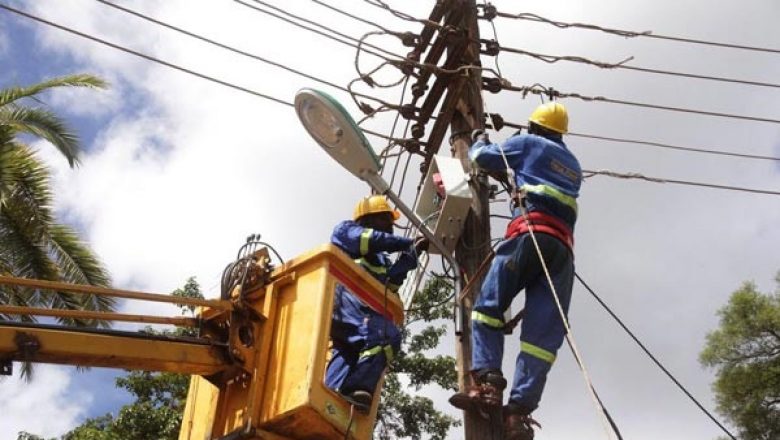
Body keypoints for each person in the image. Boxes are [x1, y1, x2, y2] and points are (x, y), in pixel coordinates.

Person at [449, 102, 582, 440]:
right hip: (562, 252)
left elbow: (483, 158)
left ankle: (489, 386)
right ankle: (518, 414)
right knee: (542, 338)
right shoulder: (573, 165)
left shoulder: (528, 143)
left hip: (529, 234)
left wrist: (478, 139)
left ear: (535, 126)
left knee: (488, 309)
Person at [325, 195, 425, 411]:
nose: (390, 227)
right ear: (368, 218)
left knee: (350, 354)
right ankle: (355, 388)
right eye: (385, 220)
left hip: (361, 309)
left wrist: (412, 256)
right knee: (385, 336)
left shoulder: (380, 259)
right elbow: (372, 240)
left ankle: (330, 401)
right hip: (344, 301)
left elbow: (388, 288)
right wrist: (406, 242)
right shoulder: (345, 230)